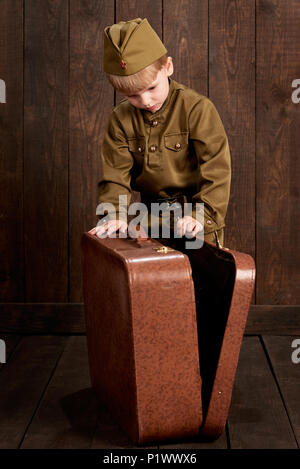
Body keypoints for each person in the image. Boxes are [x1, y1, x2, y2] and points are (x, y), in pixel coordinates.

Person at [88, 18, 231, 247]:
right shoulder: (120, 118)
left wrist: (201, 216)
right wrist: (113, 215)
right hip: (149, 223)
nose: (145, 101)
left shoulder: (198, 109)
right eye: (132, 95)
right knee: (153, 279)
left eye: (152, 88)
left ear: (168, 67)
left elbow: (217, 171)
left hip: (197, 224)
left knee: (199, 281)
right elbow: (115, 176)